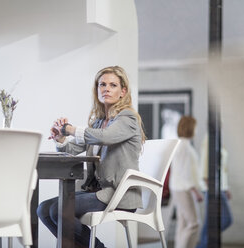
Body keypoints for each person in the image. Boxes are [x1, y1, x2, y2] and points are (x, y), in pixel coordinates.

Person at [37, 66, 146, 248]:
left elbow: (105, 137)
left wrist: (71, 129)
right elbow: (72, 149)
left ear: (123, 91)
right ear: (97, 90)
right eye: (102, 84)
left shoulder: (127, 118)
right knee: (44, 210)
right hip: (97, 191)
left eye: (113, 85)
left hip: (119, 193)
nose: (106, 89)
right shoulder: (98, 121)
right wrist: (61, 138)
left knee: (59, 210)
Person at [169, 116, 204, 248]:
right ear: (190, 128)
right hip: (183, 189)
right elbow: (185, 172)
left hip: (178, 188)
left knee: (182, 224)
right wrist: (195, 191)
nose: (196, 130)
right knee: (194, 224)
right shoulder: (184, 147)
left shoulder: (180, 145)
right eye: (195, 127)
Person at [196, 134, 233, 248]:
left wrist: (226, 187)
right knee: (225, 219)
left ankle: (204, 245)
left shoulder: (217, 138)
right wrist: (209, 183)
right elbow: (205, 161)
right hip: (212, 187)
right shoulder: (209, 138)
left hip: (220, 187)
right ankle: (204, 245)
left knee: (210, 223)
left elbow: (221, 167)